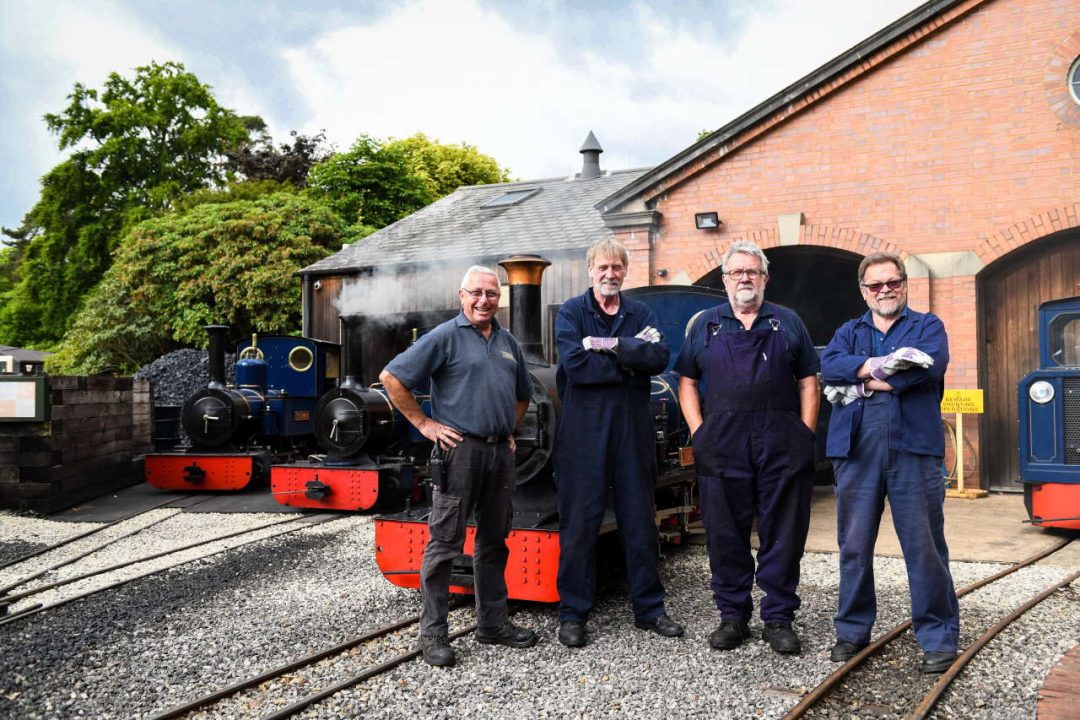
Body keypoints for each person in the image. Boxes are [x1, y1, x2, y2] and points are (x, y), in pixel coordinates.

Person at [379, 265, 538, 668]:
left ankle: (492, 625)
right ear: (461, 295)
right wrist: (424, 424)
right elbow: (391, 377)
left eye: (491, 294)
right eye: (476, 293)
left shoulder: (506, 342)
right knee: (445, 542)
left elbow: (523, 394)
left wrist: (509, 429)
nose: (484, 300)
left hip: (500, 453)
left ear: (499, 299)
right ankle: (433, 635)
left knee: (493, 541)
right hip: (459, 451)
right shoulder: (444, 337)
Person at [675, 241, 819, 655]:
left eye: (751, 272)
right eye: (736, 272)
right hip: (722, 443)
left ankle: (778, 617)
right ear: (725, 280)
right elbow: (686, 380)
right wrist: (699, 431)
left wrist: (804, 434)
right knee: (725, 533)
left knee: (784, 532)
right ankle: (733, 616)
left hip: (781, 441)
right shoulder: (705, 324)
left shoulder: (788, 322)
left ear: (764, 278)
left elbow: (809, 380)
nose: (744, 279)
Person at [821, 251, 959, 674]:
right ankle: (852, 631)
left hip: (913, 449)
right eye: (876, 285)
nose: (885, 290)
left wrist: (862, 378)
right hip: (856, 450)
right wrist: (876, 370)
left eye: (892, 282)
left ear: (904, 284)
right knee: (855, 546)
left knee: (923, 547)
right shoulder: (849, 330)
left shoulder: (927, 326)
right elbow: (829, 366)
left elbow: (926, 370)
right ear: (864, 291)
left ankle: (938, 637)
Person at [553, 237, 684, 648]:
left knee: (639, 520)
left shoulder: (640, 311)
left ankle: (649, 609)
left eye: (617, 268)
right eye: (603, 267)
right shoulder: (572, 312)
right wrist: (630, 357)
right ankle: (573, 613)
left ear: (626, 271)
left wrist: (610, 348)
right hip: (583, 430)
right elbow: (576, 368)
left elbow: (659, 358)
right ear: (590, 270)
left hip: (631, 427)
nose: (610, 274)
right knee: (580, 524)